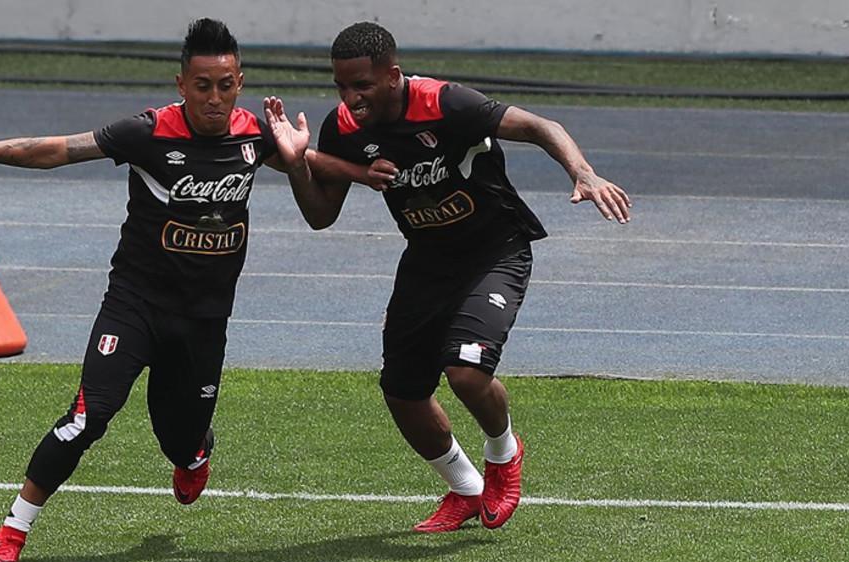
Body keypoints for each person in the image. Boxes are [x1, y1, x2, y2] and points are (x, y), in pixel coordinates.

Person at [0, 18, 372, 562]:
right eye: (202, 86)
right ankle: (13, 529)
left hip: (203, 323)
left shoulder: (256, 134)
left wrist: (320, 165)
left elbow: (318, 196)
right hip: (135, 308)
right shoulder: (148, 132)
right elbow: (57, 149)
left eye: (225, 86)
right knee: (88, 416)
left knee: (180, 440)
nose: (214, 99)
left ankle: (193, 453)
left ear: (239, 82)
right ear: (181, 85)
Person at [266, 22, 632, 533]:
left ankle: (504, 453)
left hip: (495, 251)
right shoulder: (345, 127)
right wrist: (297, 164)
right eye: (341, 87)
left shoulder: (447, 103)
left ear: (393, 76)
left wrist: (582, 171)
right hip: (427, 261)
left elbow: (541, 126)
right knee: (402, 392)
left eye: (362, 86)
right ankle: (465, 488)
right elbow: (321, 215)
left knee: (466, 371)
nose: (350, 98)